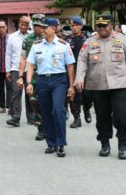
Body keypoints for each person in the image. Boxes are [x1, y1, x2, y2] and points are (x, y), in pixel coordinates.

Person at [75, 14, 126, 160]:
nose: (101, 28)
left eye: (104, 25)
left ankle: (122, 144)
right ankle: (104, 144)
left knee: (122, 117)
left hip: (120, 85)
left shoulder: (122, 40)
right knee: (102, 118)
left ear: (111, 25)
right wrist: (79, 79)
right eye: (99, 26)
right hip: (98, 86)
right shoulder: (90, 42)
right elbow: (82, 61)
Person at [26, 18, 75, 157]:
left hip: (59, 80)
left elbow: (70, 66)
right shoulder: (36, 45)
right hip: (42, 80)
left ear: (54, 29)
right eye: (41, 27)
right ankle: (51, 143)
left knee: (58, 109)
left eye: (45, 27)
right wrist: (29, 82)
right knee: (46, 112)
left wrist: (71, 86)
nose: (42, 30)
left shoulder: (63, 45)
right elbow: (30, 64)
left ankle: (61, 144)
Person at [17, 14, 45, 140]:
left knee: (48, 103)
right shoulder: (28, 39)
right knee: (34, 102)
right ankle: (41, 129)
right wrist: (20, 76)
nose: (37, 28)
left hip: (49, 76)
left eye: (40, 25)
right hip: (33, 76)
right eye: (35, 25)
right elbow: (23, 58)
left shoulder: (50, 37)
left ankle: (51, 126)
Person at [65, 16, 92, 128]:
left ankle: (87, 109)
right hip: (72, 70)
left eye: (76, 25)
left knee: (87, 95)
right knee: (73, 96)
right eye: (72, 26)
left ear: (81, 26)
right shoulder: (67, 40)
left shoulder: (88, 39)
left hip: (86, 71)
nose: (74, 27)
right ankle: (77, 118)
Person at [6, 16, 33, 127]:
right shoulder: (11, 37)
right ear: (18, 24)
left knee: (30, 94)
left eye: (26, 24)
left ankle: (31, 117)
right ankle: (15, 117)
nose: (23, 26)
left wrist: (30, 21)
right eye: (21, 24)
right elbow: (8, 54)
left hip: (30, 69)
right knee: (16, 93)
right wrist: (8, 71)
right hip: (16, 69)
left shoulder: (32, 36)